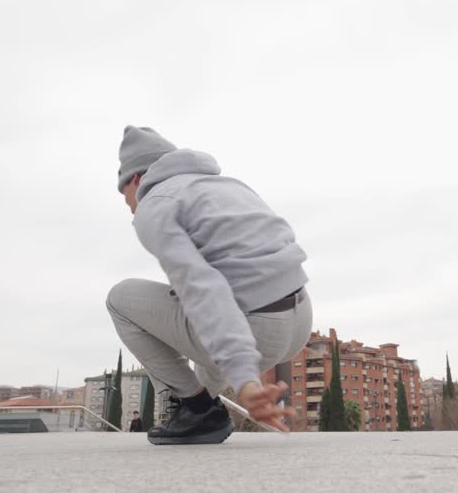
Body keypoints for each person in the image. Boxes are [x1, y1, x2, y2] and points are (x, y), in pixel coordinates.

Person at [106, 126, 312, 445]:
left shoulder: (155, 204)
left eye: (124, 195)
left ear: (135, 179)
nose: (129, 205)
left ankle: (198, 409)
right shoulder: (227, 186)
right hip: (299, 319)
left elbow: (204, 287)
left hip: (258, 328)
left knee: (119, 298)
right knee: (203, 358)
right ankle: (200, 415)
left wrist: (245, 379)